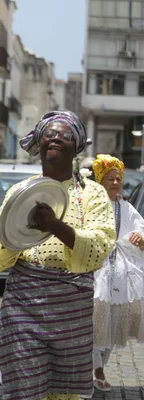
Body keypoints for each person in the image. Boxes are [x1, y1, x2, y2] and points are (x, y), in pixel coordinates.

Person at [0, 111, 116, 400]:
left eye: (65, 135)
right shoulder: (20, 191)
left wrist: (54, 226)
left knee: (63, 393)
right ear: (39, 143)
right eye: (49, 134)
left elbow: (99, 247)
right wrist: (18, 233)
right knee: (21, 388)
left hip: (71, 312)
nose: (56, 138)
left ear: (77, 146)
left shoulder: (92, 194)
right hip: (23, 308)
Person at [91, 154, 144, 391]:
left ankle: (101, 367)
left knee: (111, 323)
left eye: (118, 179)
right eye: (109, 179)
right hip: (93, 272)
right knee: (92, 320)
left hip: (118, 274)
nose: (114, 183)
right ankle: (91, 368)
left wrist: (140, 237)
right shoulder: (90, 205)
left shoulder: (126, 207)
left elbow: (140, 228)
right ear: (100, 181)